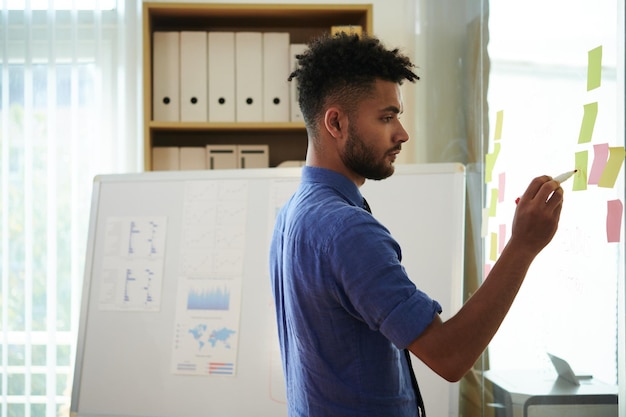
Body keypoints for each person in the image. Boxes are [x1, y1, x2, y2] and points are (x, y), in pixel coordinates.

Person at [269, 32, 563, 417]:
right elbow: (450, 356)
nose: (402, 133)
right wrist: (523, 245)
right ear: (336, 123)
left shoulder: (292, 214)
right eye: (386, 117)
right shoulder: (346, 230)